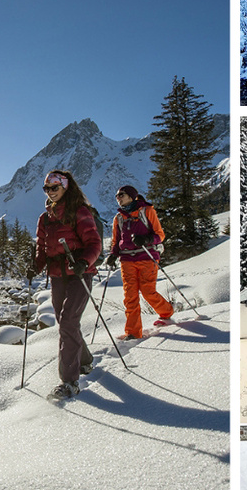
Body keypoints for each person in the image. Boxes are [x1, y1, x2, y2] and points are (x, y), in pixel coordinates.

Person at [28, 170, 102, 400]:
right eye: (47, 188)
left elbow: (94, 243)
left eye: (54, 187)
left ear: (65, 187)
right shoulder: (45, 218)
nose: (50, 192)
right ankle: (86, 361)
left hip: (80, 273)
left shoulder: (79, 212)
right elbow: (42, 247)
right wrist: (36, 266)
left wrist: (83, 261)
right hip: (58, 275)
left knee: (69, 320)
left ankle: (69, 381)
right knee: (65, 321)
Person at [105, 185, 174, 339]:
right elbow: (116, 241)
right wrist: (113, 255)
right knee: (130, 296)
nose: (118, 198)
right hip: (127, 259)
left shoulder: (147, 211)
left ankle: (167, 312)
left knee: (148, 291)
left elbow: (160, 235)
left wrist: (147, 239)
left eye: (121, 195)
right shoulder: (119, 218)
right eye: (117, 196)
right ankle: (133, 332)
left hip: (147, 256)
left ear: (131, 196)